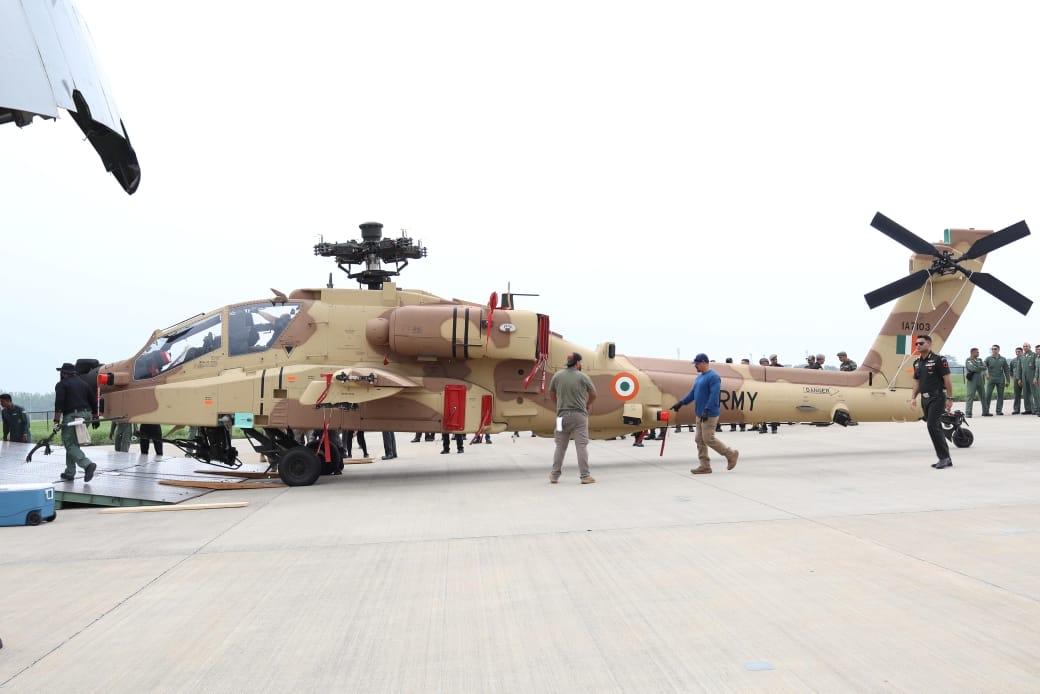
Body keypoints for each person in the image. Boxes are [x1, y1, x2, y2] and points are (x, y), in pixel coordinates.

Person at [670, 353, 739, 475]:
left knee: (708, 439)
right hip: (700, 414)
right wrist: (681, 403)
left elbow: (714, 395)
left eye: (696, 364)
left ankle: (730, 454)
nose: (695, 366)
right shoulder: (699, 377)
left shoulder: (714, 377)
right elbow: (692, 393)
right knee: (699, 440)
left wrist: (707, 410)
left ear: (703, 362)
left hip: (709, 414)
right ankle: (705, 466)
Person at [548, 352, 597, 484]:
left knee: (560, 446)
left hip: (560, 417)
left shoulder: (557, 376)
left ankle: (554, 475)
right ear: (577, 363)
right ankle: (585, 476)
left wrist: (559, 405)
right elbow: (593, 394)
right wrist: (588, 404)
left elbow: (551, 393)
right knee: (581, 446)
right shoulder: (583, 376)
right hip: (579, 416)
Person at [910, 336, 953, 469]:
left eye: (921, 343)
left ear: (929, 344)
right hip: (925, 399)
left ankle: (943, 458)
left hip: (937, 397)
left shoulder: (938, 360)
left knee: (932, 426)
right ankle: (946, 458)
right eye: (916, 344)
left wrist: (950, 398)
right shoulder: (917, 363)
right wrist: (913, 397)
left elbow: (947, 380)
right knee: (936, 427)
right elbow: (917, 382)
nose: (918, 345)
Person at [53, 362, 98, 481]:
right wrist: (95, 416)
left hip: (73, 416)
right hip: (86, 415)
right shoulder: (84, 384)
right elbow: (93, 401)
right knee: (73, 443)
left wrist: (56, 421)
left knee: (69, 443)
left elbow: (59, 404)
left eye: (61, 373)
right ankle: (70, 472)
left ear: (64, 373)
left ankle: (87, 465)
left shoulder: (62, 384)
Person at [983, 345, 1011, 416]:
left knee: (1000, 395)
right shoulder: (988, 358)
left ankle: (999, 411)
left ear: (998, 350)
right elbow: (984, 367)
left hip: (1000, 379)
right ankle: (986, 411)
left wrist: (1008, 381)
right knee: (988, 395)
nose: (993, 350)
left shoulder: (1003, 359)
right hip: (991, 379)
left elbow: (1006, 370)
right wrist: (986, 373)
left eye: (995, 349)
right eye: (992, 349)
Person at [963, 347, 986, 418]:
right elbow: (972, 368)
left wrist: (978, 367)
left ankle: (985, 412)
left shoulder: (980, 360)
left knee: (983, 396)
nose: (978, 353)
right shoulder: (968, 360)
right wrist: (980, 367)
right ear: (972, 353)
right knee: (970, 396)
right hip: (972, 380)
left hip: (980, 379)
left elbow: (985, 367)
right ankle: (968, 413)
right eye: (977, 352)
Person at [1020, 343, 1037, 415]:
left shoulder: (1034, 355)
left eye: (1026, 346)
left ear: (1030, 347)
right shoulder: (1022, 356)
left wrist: (1036, 377)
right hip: (1024, 377)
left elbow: (1037, 367)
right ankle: (1028, 409)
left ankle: (1036, 409)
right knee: (1026, 393)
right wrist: (1019, 378)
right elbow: (1019, 368)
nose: (1025, 347)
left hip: (1032, 376)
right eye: (1024, 346)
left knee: (1034, 393)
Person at [1010, 346, 1024, 414]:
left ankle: (1030, 409)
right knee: (1016, 395)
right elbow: (1011, 371)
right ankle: (1016, 410)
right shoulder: (1013, 361)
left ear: (1022, 352)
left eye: (1019, 351)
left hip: (1024, 378)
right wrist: (1013, 378)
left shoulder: (1025, 359)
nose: (1017, 353)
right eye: (1016, 352)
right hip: (1016, 379)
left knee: (1027, 394)